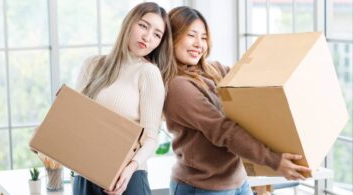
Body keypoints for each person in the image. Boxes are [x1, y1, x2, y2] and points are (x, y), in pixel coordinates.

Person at [163, 6, 312, 195]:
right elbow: (223, 130)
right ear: (172, 37)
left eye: (203, 38)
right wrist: (273, 160)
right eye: (191, 35)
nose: (198, 44)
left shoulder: (213, 70)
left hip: (238, 180)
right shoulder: (177, 86)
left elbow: (248, 88)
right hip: (202, 187)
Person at [73, 2, 176, 195]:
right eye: (143, 26)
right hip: (84, 174)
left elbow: (150, 138)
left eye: (157, 34)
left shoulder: (148, 73)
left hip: (126, 179)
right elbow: (75, 116)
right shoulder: (92, 65)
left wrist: (129, 170)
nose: (148, 37)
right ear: (129, 23)